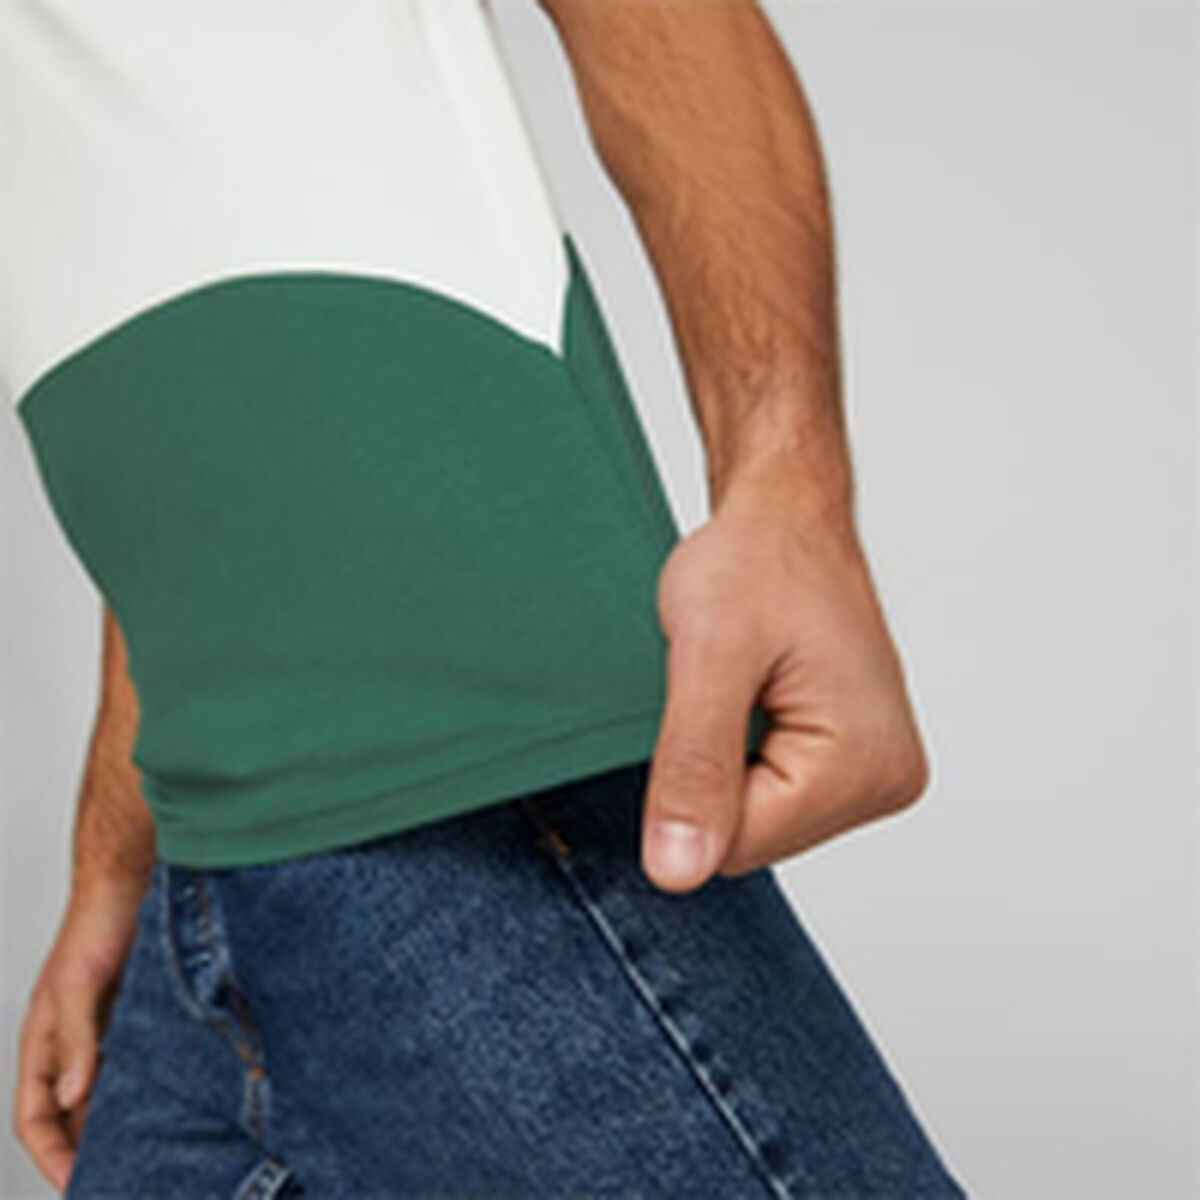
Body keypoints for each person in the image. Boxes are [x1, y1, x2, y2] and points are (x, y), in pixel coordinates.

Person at [7, 1, 966, 1194]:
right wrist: (115, 858)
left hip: (471, 765)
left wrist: (792, 492)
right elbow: (183, 353)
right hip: (206, 861)